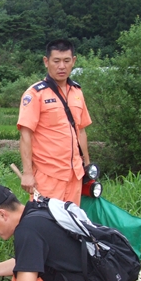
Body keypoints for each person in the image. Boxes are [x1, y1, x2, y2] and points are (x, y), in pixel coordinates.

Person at [18, 39, 92, 208]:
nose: (62, 66)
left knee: (72, 223)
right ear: (46, 62)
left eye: (66, 61)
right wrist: (27, 173)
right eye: (56, 61)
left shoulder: (77, 92)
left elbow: (81, 131)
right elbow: (25, 134)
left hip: (75, 175)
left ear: (73, 61)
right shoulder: (35, 94)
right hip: (48, 175)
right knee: (46, 224)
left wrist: (87, 165)